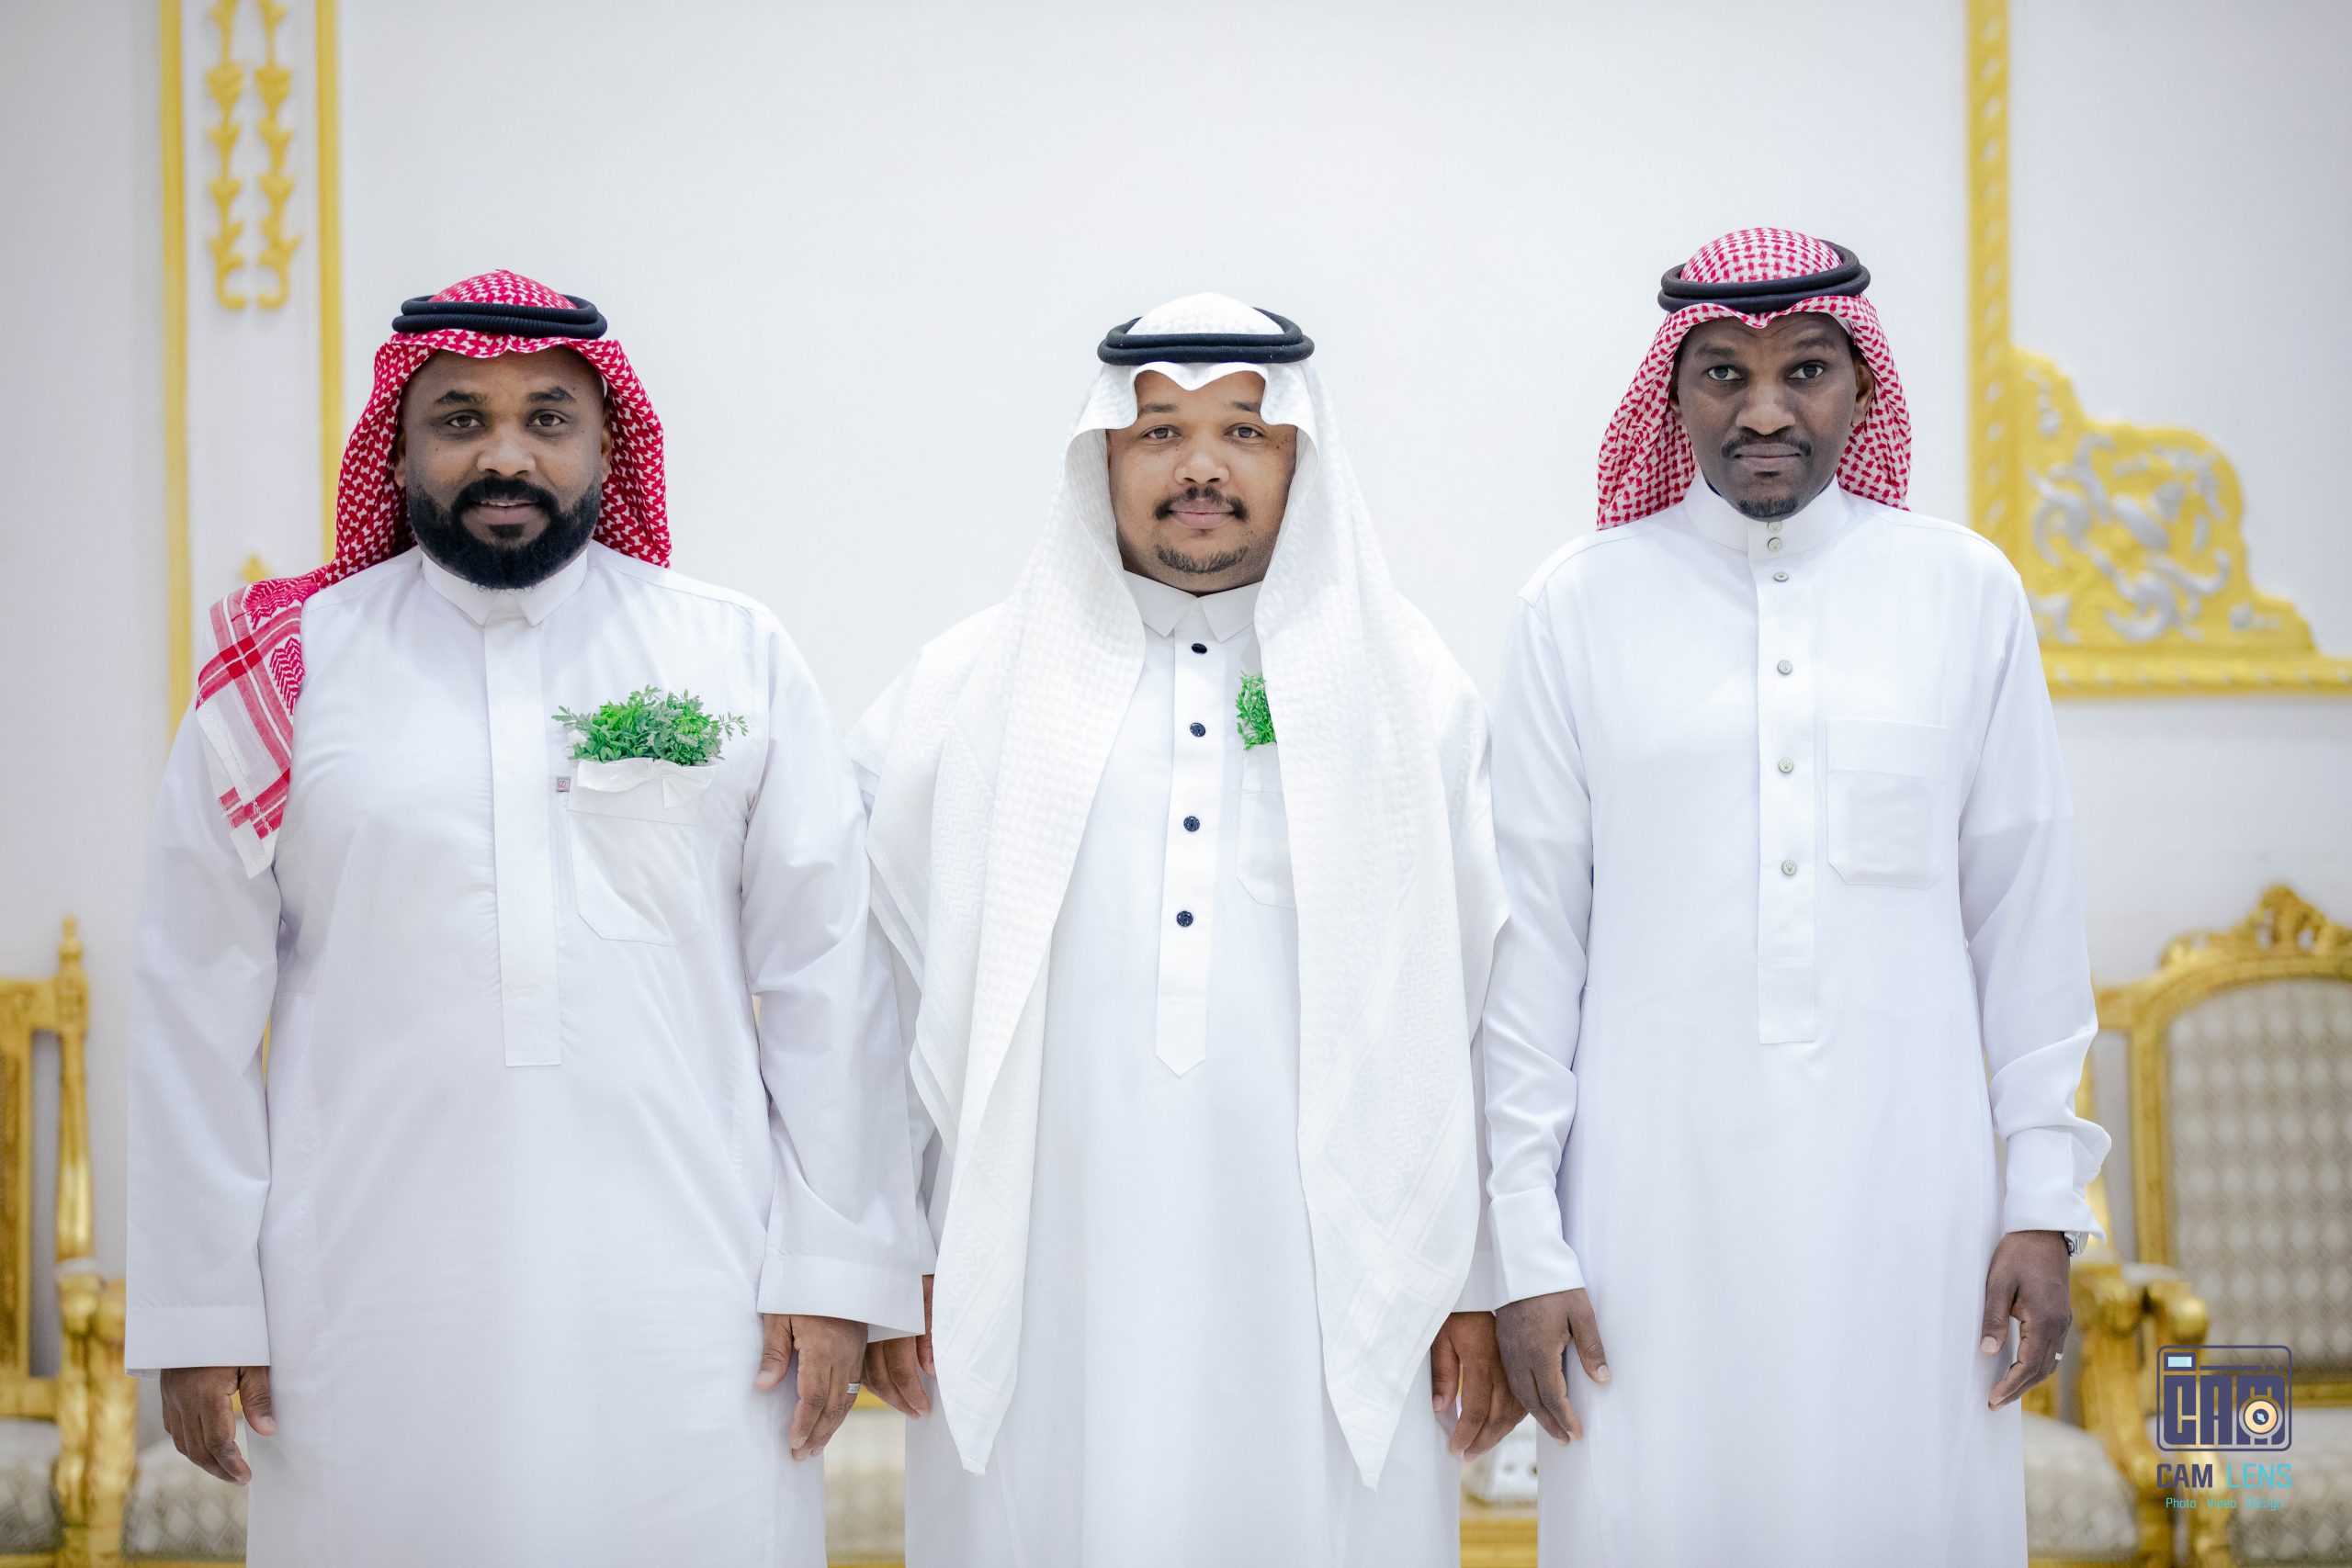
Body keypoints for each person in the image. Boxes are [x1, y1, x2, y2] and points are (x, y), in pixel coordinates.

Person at [128, 270, 927, 1566]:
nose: (506, 455)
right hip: (367, 1297)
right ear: (398, 452)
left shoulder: (729, 655)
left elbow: (829, 982)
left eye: (548, 418)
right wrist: (202, 1307)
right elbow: (191, 1000)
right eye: (460, 420)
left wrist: (836, 1275)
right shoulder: (289, 670)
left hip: (699, 1303)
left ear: (609, 445)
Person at [855, 295, 1520, 1566]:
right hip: (1045, 1264)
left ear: (1303, 461)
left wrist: (1478, 1280)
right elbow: (873, 996)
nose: (1201, 466)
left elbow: (1480, 1002)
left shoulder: (1407, 692)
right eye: (1159, 430)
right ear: (1100, 457)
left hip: (1329, 1274)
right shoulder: (963, 692)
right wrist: (887, 1255)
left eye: (1244, 432)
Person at [1480, 230, 2109, 1566]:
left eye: (1805, 369)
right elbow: (1528, 952)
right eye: (1723, 373)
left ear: (1863, 387)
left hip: (1916, 1206)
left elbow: (2027, 922)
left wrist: (2042, 1204)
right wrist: (1525, 1245)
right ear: (1673, 393)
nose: (1764, 408)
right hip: (1646, 1212)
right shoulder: (1575, 608)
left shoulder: (1964, 593)